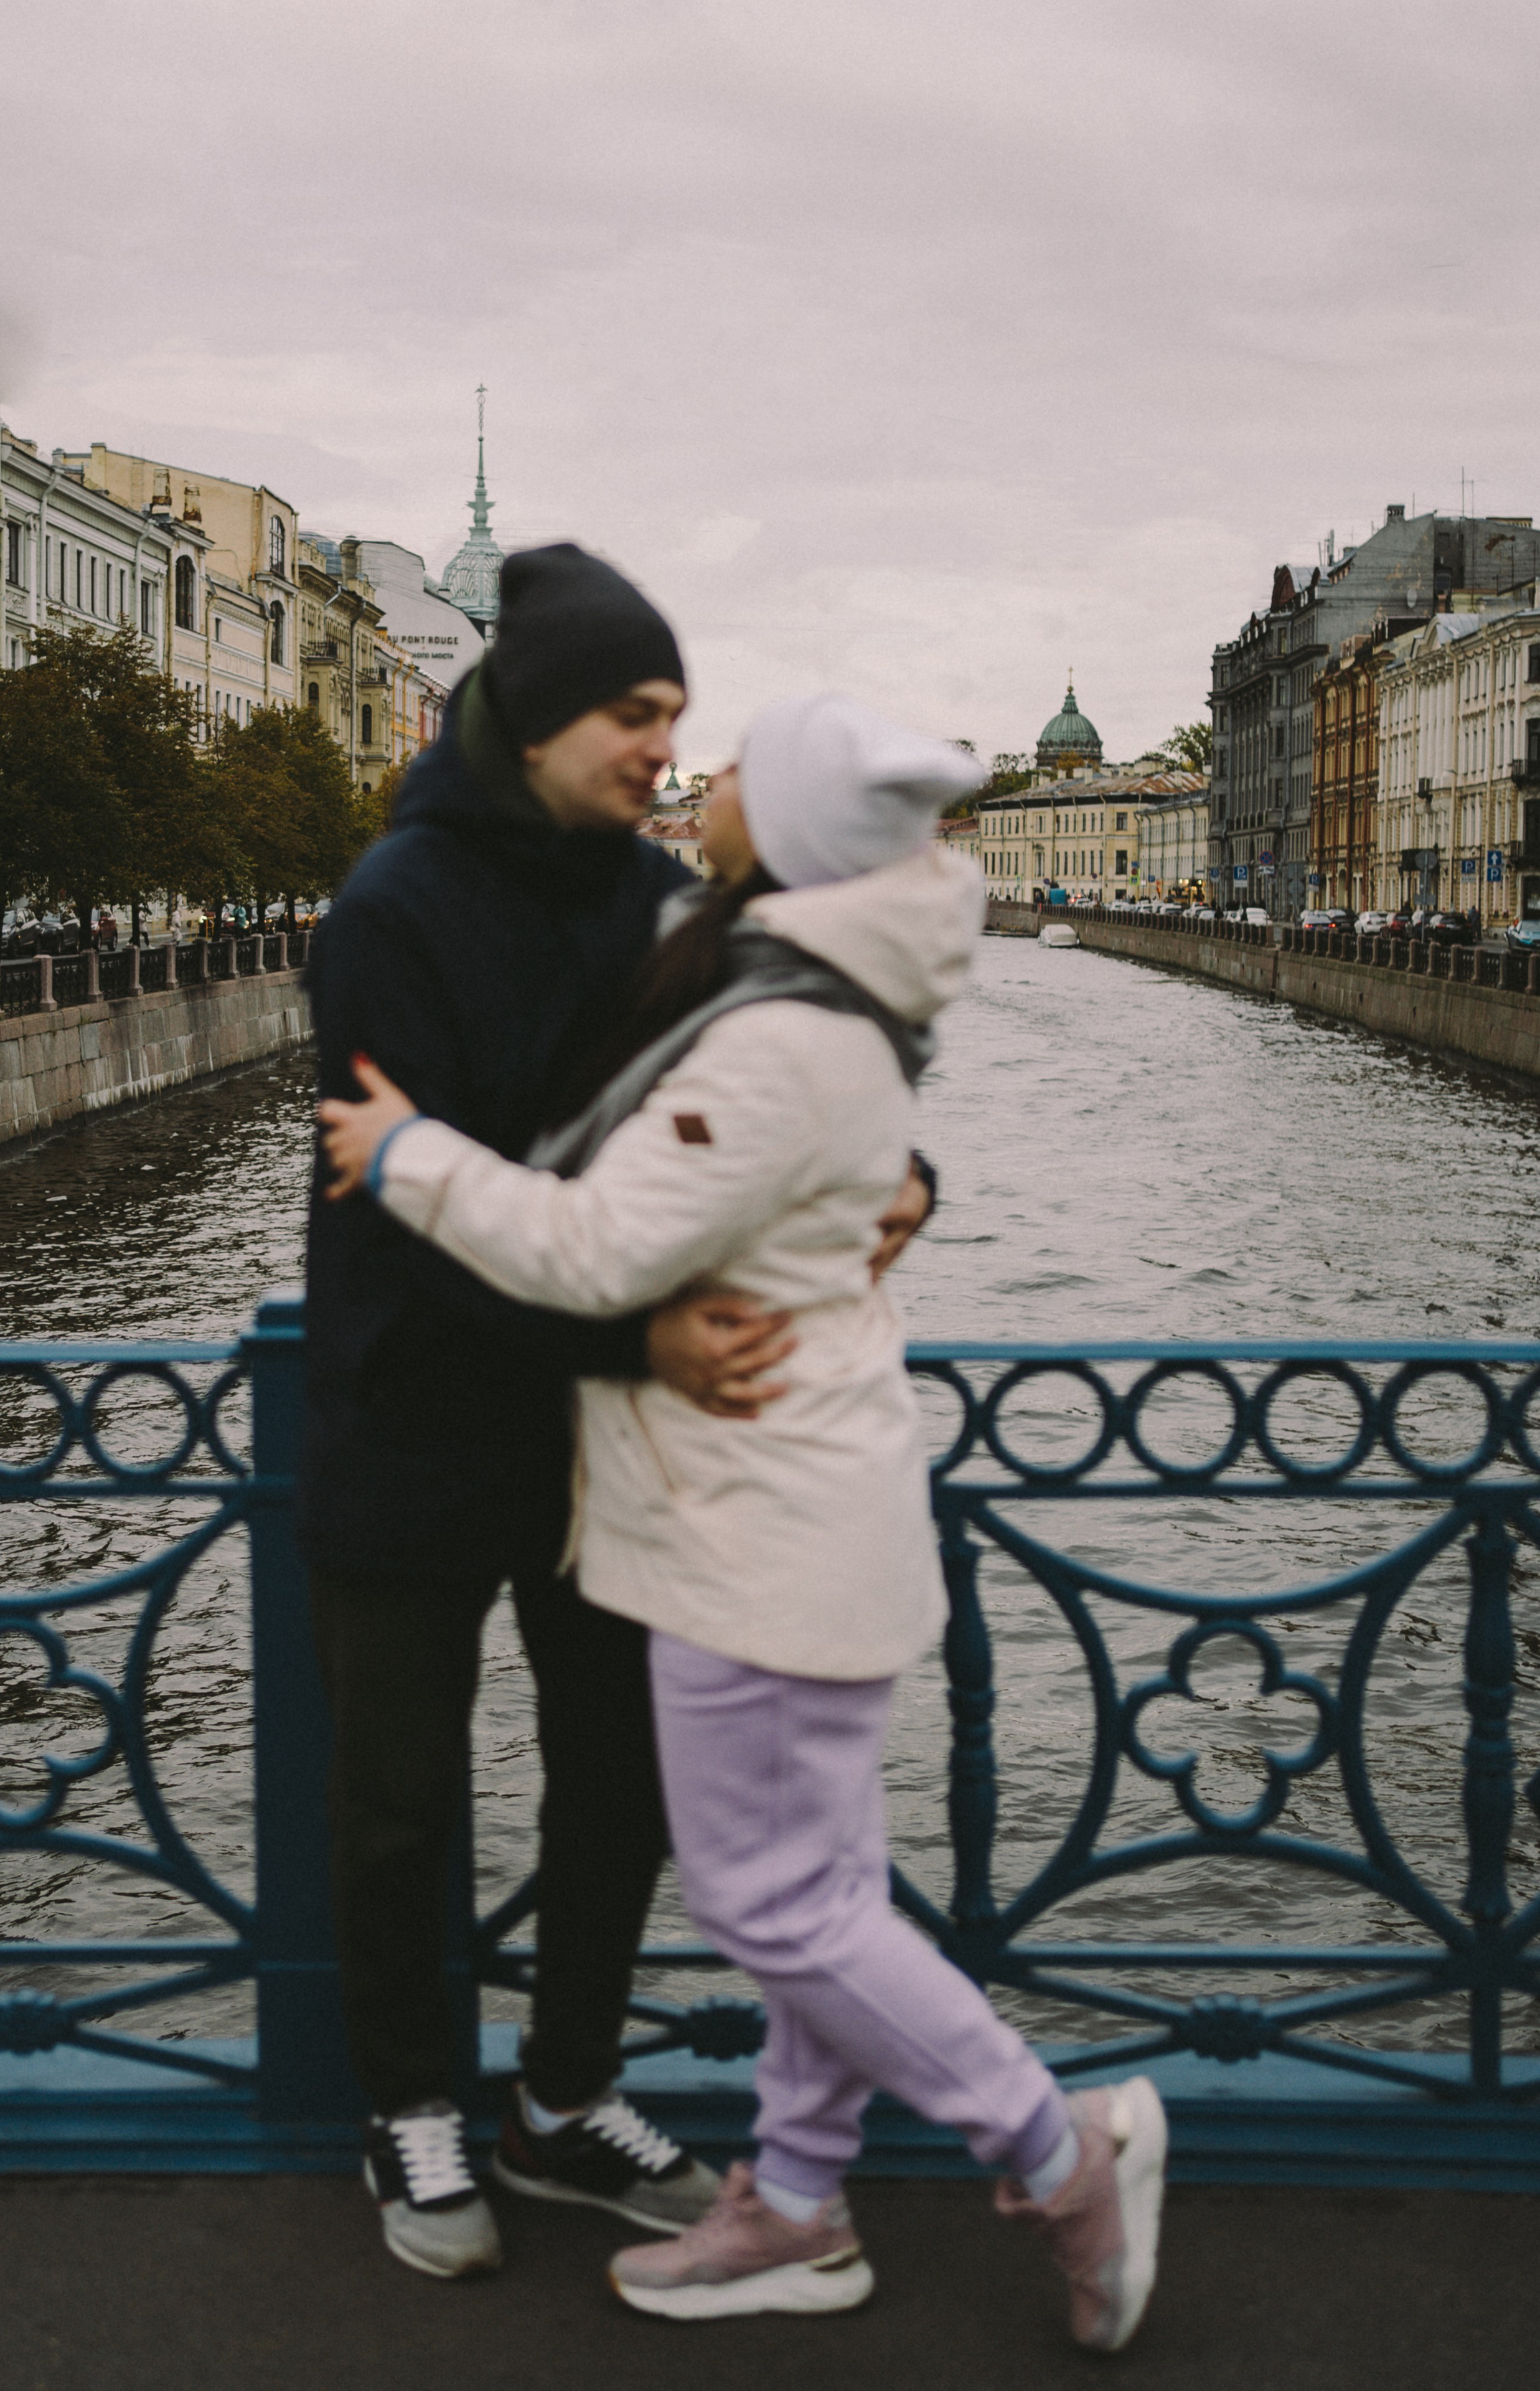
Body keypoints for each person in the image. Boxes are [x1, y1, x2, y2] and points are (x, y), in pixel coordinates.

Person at [320, 691, 1168, 2353]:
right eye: (645, 722)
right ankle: (796, 2200)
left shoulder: (776, 1023)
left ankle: (1064, 2155)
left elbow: (592, 1254)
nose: (688, 777)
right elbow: (836, 1170)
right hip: (805, 1498)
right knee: (827, 1890)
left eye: (720, 767)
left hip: (747, 1516)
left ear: (778, 833)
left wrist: (406, 1154)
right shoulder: (812, 983)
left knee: (781, 1908)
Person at [301, 547, 931, 2283]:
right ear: (535, 718)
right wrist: (636, 1348)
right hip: (410, 1414)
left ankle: (563, 2099)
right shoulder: (389, 909)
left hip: (600, 1450)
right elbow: (412, 1210)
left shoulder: (649, 905)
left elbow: (781, 1077)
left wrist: (908, 1176)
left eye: (674, 715)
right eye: (634, 714)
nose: (664, 746)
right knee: (399, 1800)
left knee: (619, 1787)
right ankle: (409, 2109)